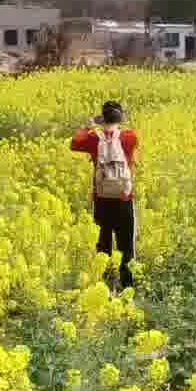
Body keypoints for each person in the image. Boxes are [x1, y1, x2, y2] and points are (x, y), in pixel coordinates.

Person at [71, 100, 139, 291]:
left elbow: (74, 142)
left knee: (103, 247)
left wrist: (90, 124)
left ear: (103, 118)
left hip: (101, 201)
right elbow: (132, 139)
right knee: (127, 248)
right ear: (121, 118)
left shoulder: (93, 138)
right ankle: (128, 289)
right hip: (124, 201)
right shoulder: (129, 136)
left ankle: (107, 288)